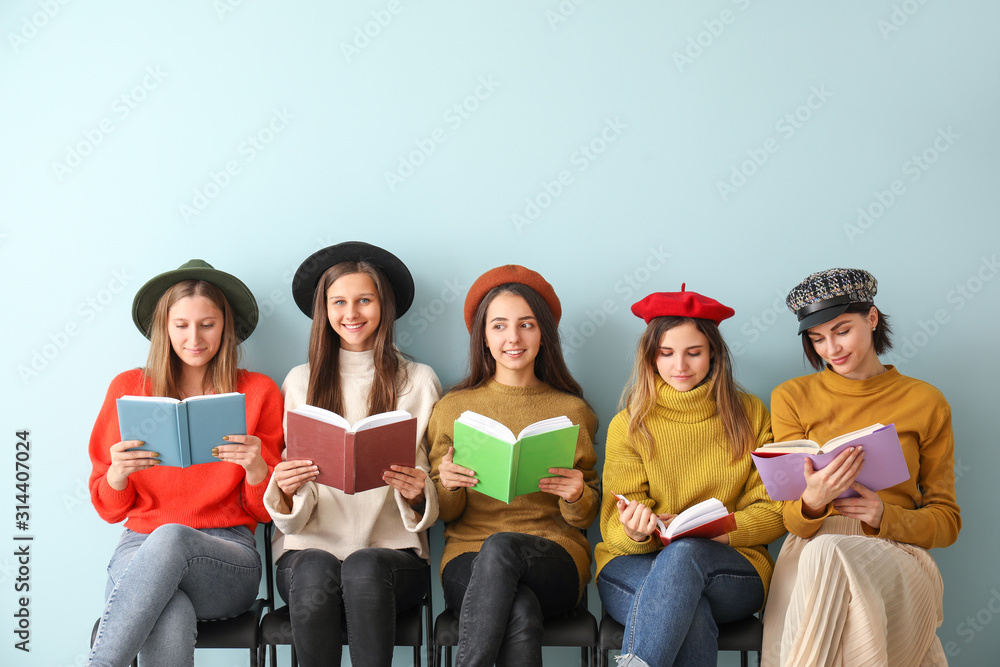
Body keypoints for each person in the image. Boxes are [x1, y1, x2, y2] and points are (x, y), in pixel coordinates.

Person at [87, 260, 284, 667]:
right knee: (169, 610)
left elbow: (265, 513)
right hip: (139, 549)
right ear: (165, 329)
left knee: (173, 536)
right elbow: (109, 508)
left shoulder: (259, 391)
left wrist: (257, 470)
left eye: (207, 325)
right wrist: (119, 474)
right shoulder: (128, 388)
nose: (194, 338)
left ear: (226, 328)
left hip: (227, 556)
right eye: (181, 325)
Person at [762, 268, 961, 666]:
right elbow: (792, 522)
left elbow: (947, 521)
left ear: (871, 318)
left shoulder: (925, 400)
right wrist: (813, 502)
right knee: (823, 550)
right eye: (817, 339)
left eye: (841, 331)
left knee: (828, 551)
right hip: (808, 550)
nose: (831, 349)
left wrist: (885, 516)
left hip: (894, 550)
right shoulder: (791, 397)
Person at [262, 242, 441, 667]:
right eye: (338, 302)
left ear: (385, 307)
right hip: (307, 550)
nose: (352, 313)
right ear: (323, 310)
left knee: (362, 566)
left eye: (365, 300)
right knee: (314, 569)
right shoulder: (299, 381)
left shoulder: (418, 380)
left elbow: (432, 487)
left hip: (392, 555)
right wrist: (285, 489)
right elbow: (289, 509)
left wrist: (418, 493)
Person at [595, 285, 785, 666]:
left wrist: (715, 531)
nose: (679, 366)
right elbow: (613, 527)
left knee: (685, 556)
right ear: (650, 357)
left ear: (714, 353)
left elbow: (773, 510)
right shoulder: (628, 425)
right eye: (666, 353)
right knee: (685, 605)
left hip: (733, 567)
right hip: (634, 565)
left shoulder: (751, 415)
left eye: (693, 353)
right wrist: (634, 529)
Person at [428, 264, 599, 667]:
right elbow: (443, 513)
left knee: (503, 545)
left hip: (553, 555)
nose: (513, 338)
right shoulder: (453, 408)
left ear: (543, 335)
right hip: (466, 557)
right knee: (518, 607)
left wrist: (577, 495)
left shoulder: (571, 411)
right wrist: (448, 486)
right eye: (499, 326)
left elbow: (586, 518)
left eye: (526, 325)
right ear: (483, 337)